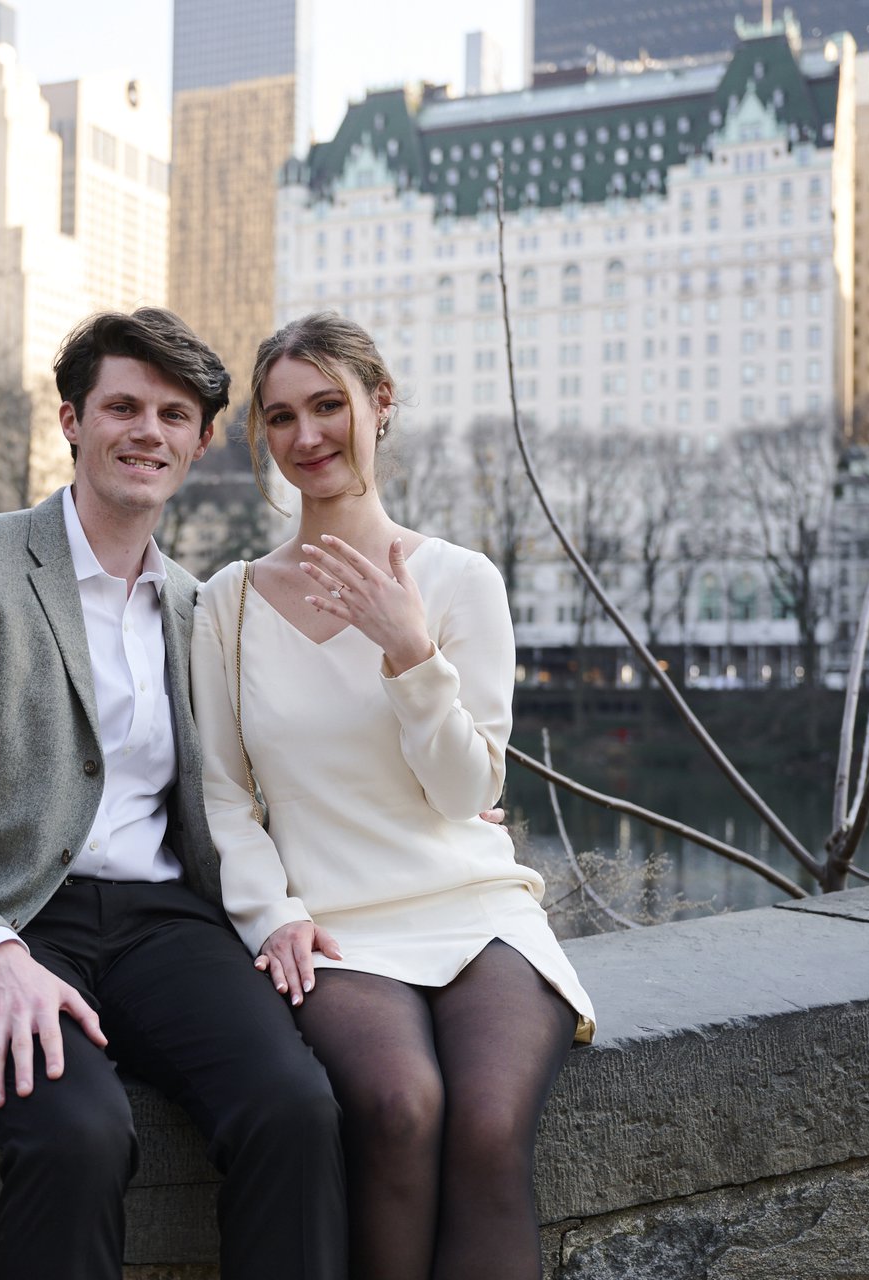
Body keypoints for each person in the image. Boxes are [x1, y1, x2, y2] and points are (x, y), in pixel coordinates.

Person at [0, 308, 345, 1280]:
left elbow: (263, 781)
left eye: (174, 415)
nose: (148, 432)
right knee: (81, 1131)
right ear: (71, 419)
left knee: (296, 1108)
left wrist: (428, 816)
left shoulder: (197, 608)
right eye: (123, 407)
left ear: (202, 440)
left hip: (163, 925)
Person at [190, 312, 596, 1280]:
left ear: (380, 404)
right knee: (399, 1107)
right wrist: (273, 915)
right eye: (281, 417)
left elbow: (466, 790)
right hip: (335, 922)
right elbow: (222, 797)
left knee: (490, 1124)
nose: (307, 436)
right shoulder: (227, 602)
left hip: (474, 907)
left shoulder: (460, 580)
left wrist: (409, 650)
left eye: (328, 405)